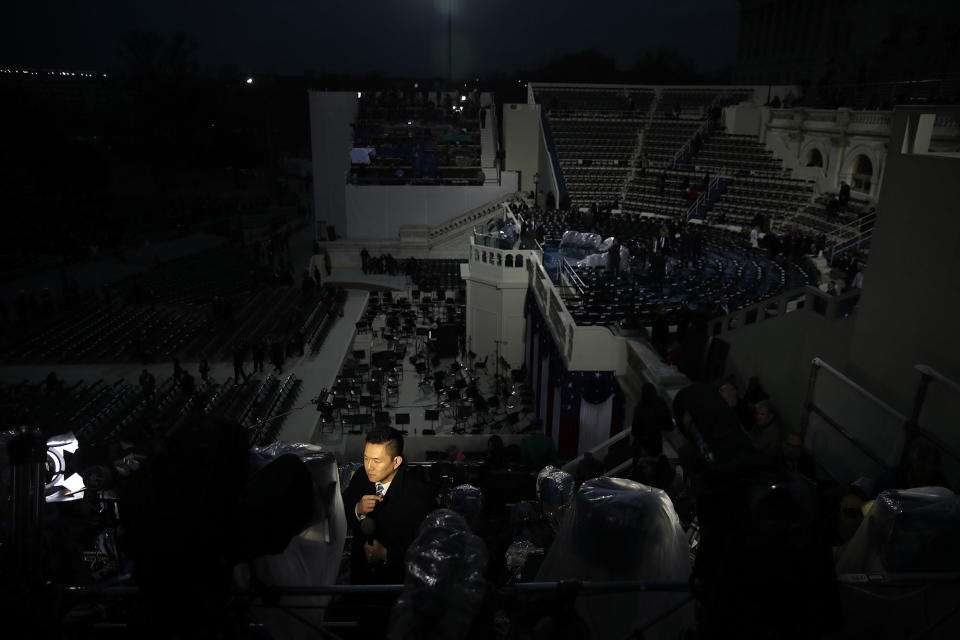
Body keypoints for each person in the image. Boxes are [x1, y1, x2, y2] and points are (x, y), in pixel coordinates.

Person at [342, 426, 436, 586]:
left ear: (396, 462)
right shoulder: (360, 478)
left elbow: (428, 551)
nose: (368, 467)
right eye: (366, 458)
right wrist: (357, 509)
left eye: (376, 461)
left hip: (395, 587)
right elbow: (342, 509)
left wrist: (387, 555)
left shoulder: (419, 494)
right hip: (360, 580)